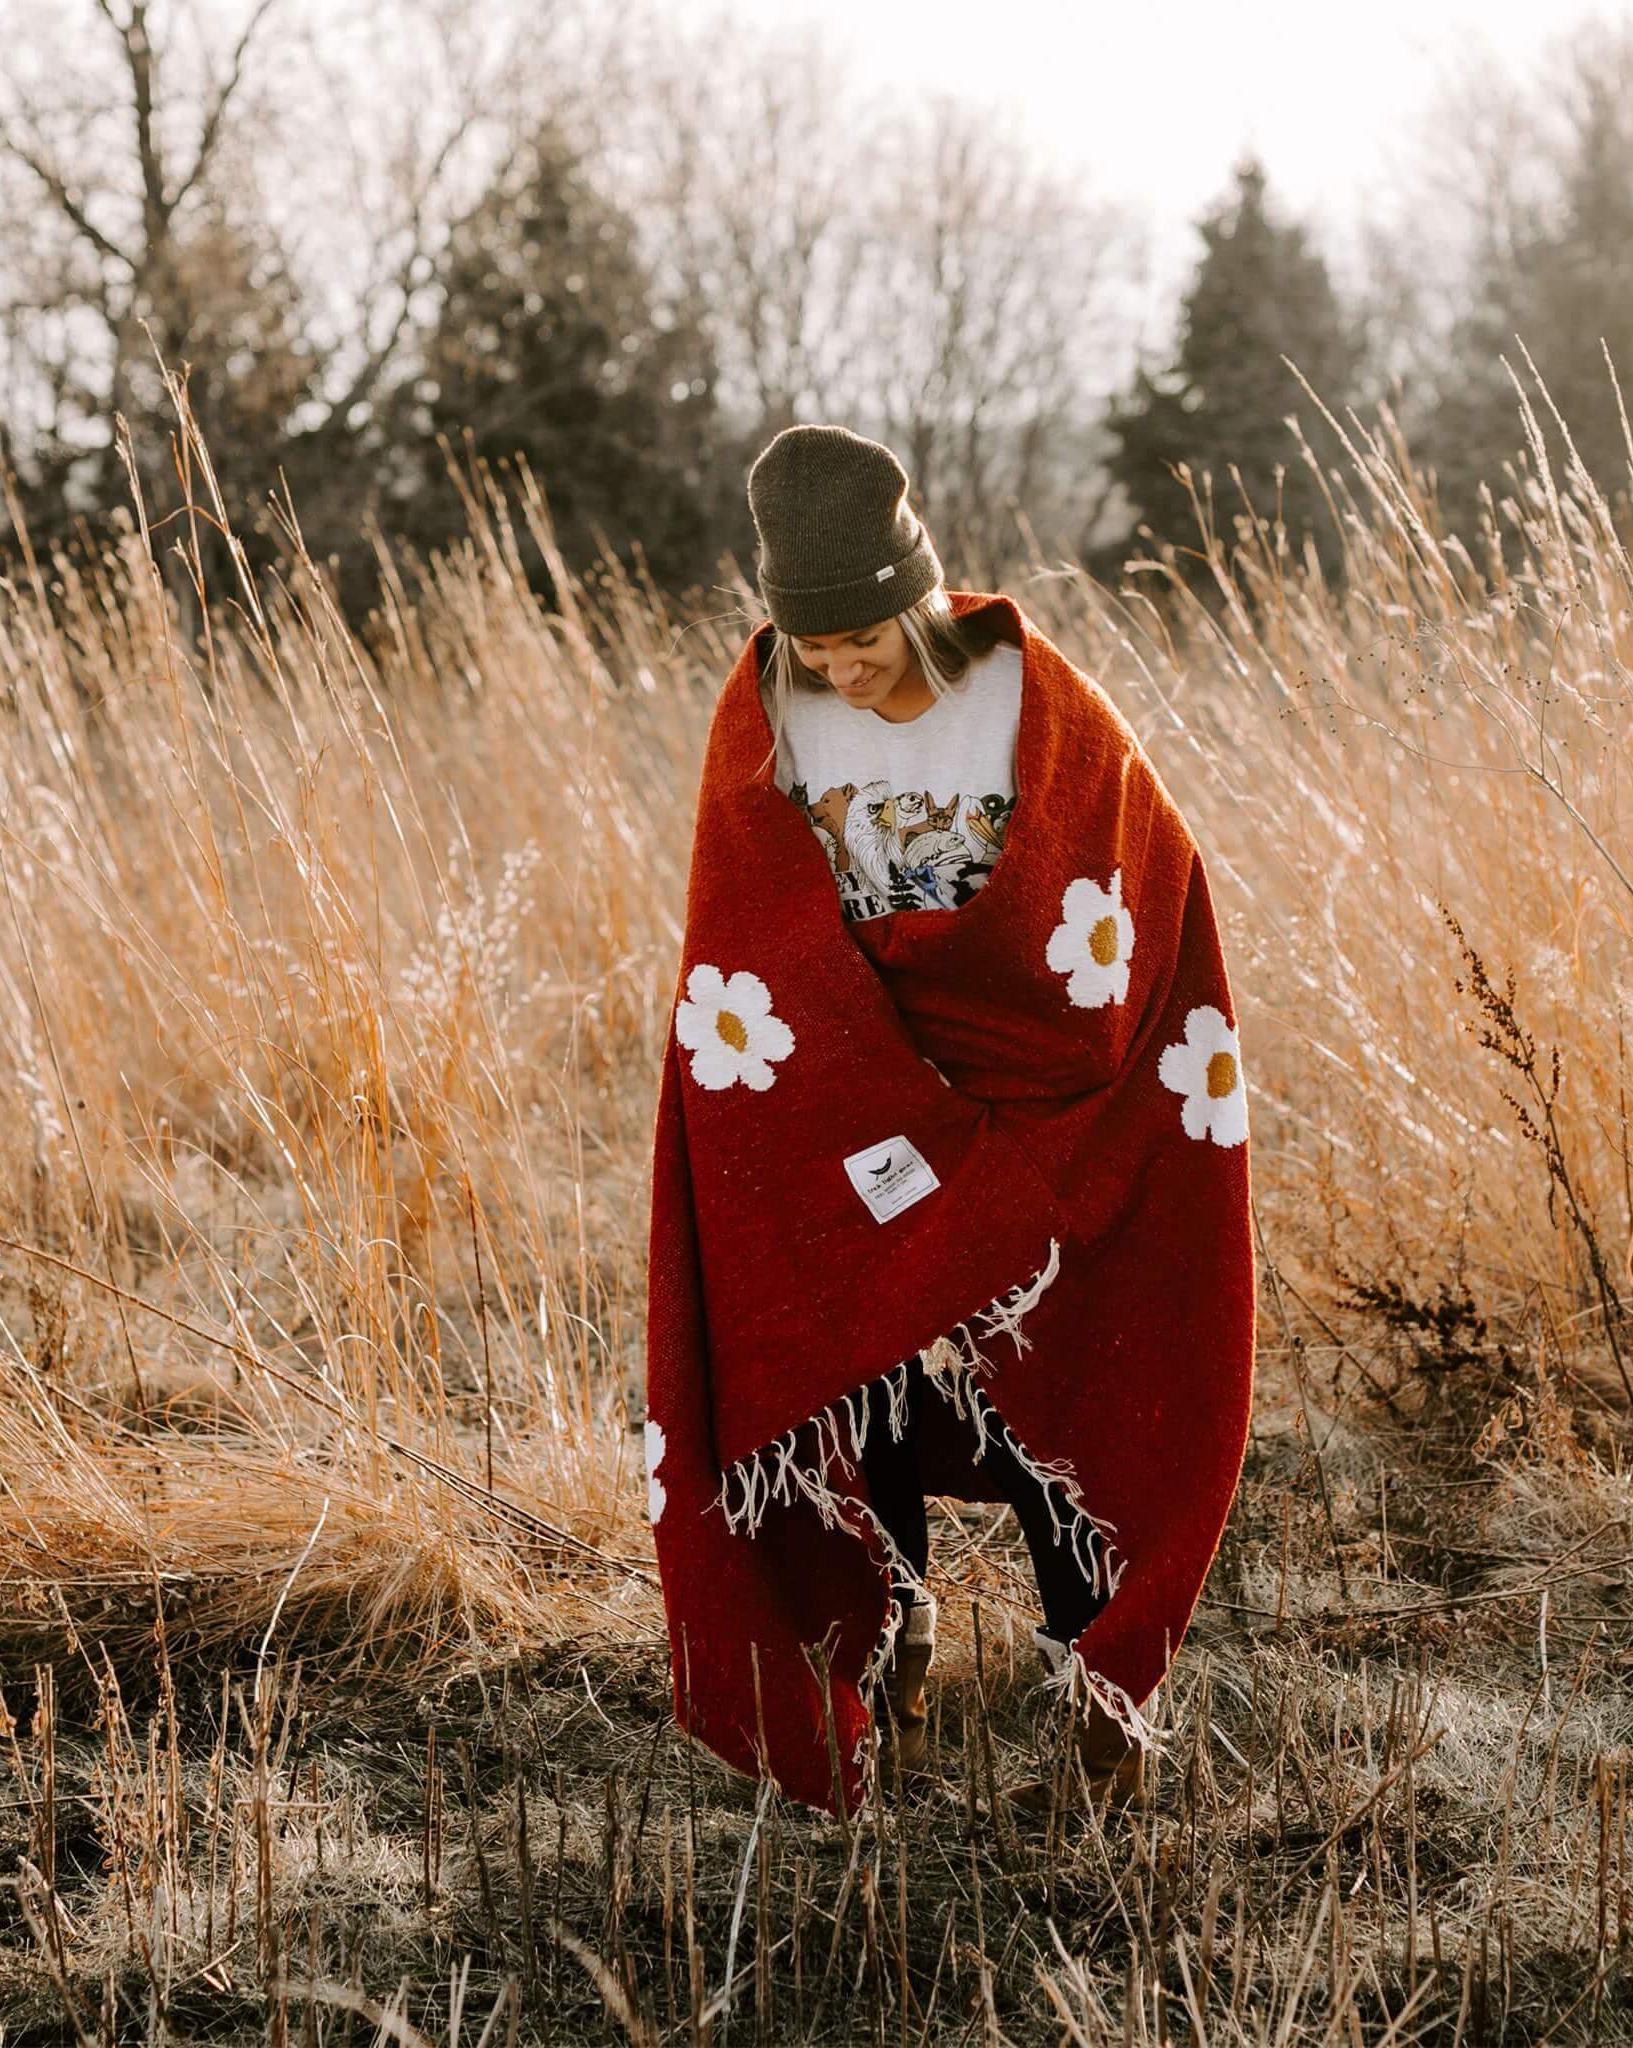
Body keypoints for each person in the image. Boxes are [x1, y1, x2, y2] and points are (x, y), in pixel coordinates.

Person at [744, 423, 1131, 1809]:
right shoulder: (777, 708)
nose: (841, 668)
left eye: (864, 639)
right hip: (864, 1095)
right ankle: (887, 1665)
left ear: (917, 595)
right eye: (817, 647)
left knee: (1037, 1391)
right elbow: (752, 908)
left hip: (1025, 1091)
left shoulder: (1028, 692)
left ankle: (1095, 1684)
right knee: (875, 1386)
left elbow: (1121, 870)